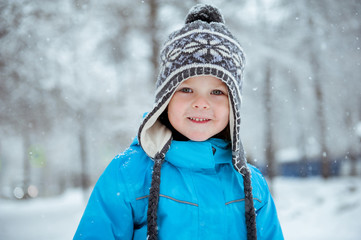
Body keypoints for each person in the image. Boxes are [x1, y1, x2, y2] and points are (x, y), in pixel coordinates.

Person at [74, 4, 283, 240]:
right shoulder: (128, 175)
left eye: (217, 92)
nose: (201, 103)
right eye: (186, 89)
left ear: (234, 106)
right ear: (165, 100)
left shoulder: (252, 187)